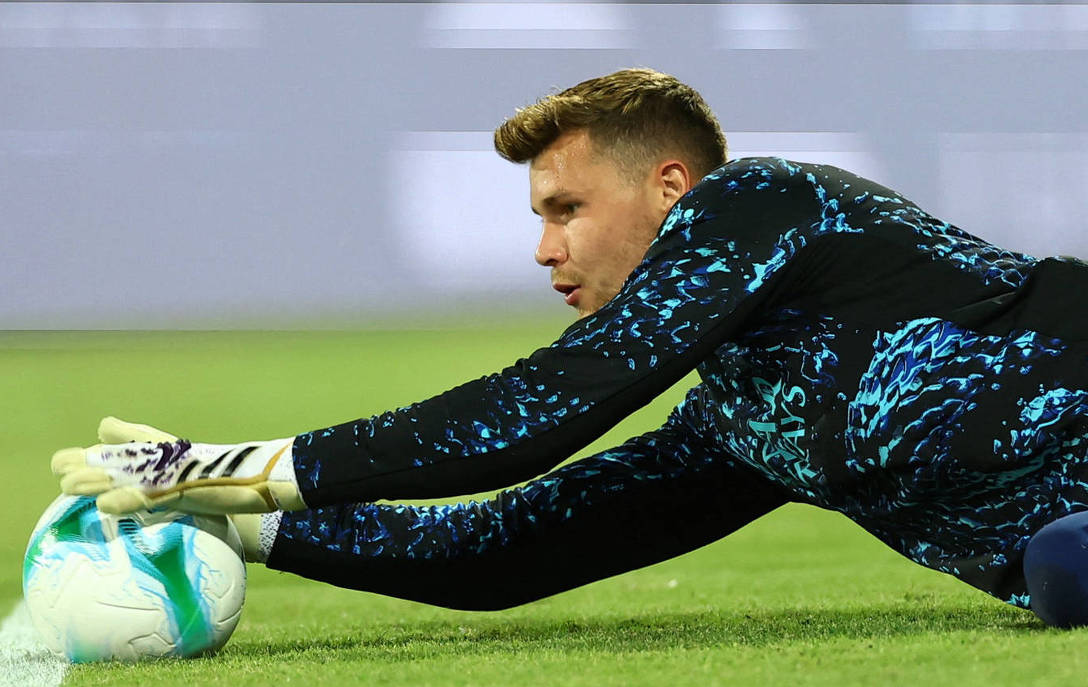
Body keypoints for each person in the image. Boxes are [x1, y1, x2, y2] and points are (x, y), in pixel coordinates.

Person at [53, 68, 1088, 628]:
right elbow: (504, 550)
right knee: (1064, 565)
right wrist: (250, 524)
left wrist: (235, 463)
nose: (545, 249)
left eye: (566, 208)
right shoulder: (746, 426)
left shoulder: (762, 199)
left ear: (671, 188)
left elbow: (537, 410)